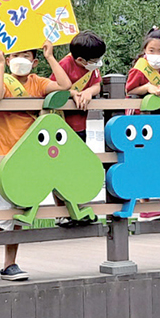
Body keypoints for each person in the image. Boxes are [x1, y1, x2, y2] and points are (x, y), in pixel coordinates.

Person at [0, 42, 71, 281]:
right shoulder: (5, 80)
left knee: (20, 213)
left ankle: (10, 264)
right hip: (6, 157)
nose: (21, 59)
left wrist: (51, 57)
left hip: (30, 157)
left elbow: (64, 86)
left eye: (26, 55)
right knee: (4, 215)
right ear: (8, 60)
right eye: (15, 55)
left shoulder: (38, 82)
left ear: (34, 61)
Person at [125, 28, 160, 220]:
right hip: (141, 118)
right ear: (145, 50)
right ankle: (144, 205)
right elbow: (130, 88)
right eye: (151, 50)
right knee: (142, 159)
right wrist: (148, 87)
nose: (156, 55)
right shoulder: (140, 66)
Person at [55, 30, 106, 227]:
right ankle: (62, 212)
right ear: (80, 59)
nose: (98, 62)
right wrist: (73, 93)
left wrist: (90, 92)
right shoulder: (64, 65)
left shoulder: (92, 67)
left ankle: (80, 208)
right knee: (59, 169)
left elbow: (98, 85)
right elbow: (54, 86)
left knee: (77, 169)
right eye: (94, 59)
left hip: (79, 126)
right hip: (61, 127)